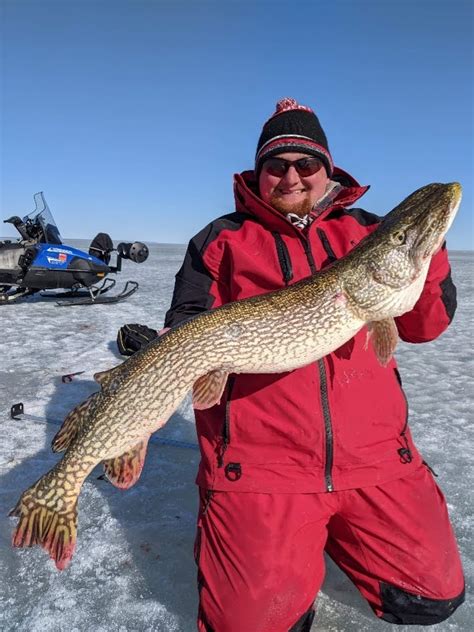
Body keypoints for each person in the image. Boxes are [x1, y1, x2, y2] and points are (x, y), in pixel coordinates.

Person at [117, 98, 465, 632]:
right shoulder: (219, 240)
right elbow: (189, 324)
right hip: (260, 468)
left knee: (432, 596)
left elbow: (425, 326)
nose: (292, 176)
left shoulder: (368, 233)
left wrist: (425, 249)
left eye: (307, 163)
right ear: (258, 173)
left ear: (329, 169)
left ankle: (339, 539)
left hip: (375, 459)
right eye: (276, 165)